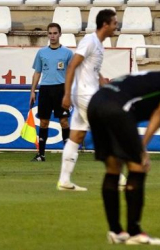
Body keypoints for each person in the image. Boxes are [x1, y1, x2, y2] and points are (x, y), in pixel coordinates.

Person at [87, 71, 160, 245]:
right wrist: (142, 148)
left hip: (96, 103)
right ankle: (135, 232)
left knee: (113, 168)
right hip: (117, 106)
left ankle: (116, 231)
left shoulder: (156, 80)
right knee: (138, 167)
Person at [57, 9, 118, 191]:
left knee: (76, 136)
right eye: (114, 23)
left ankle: (65, 181)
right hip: (84, 95)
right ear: (105, 24)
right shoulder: (89, 41)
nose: (117, 26)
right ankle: (119, 177)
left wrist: (102, 82)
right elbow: (72, 65)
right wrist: (67, 94)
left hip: (87, 93)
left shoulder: (98, 44)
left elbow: (91, 69)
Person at [29, 23, 73, 162]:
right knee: (43, 122)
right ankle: (41, 154)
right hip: (45, 89)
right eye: (50, 33)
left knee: (64, 121)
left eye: (55, 33)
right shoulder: (42, 53)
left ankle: (68, 155)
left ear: (60, 34)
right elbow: (37, 72)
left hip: (61, 89)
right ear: (47, 35)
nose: (52, 36)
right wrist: (33, 91)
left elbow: (72, 73)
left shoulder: (67, 53)